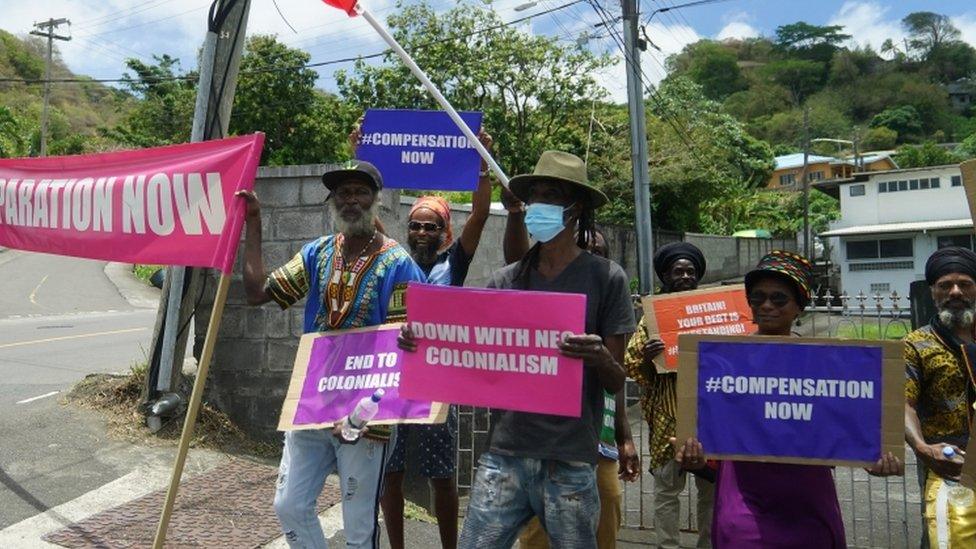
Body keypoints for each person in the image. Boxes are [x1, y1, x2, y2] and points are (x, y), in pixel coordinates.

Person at [400, 150, 636, 548]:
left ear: (575, 208)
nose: (539, 203)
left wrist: (597, 356)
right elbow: (465, 348)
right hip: (504, 454)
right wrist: (421, 342)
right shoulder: (506, 280)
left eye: (552, 195)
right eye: (536, 194)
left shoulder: (606, 278)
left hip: (570, 460)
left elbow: (615, 379)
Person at [236, 161, 425, 549]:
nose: (351, 199)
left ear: (375, 200)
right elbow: (257, 293)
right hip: (314, 404)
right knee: (289, 505)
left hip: (366, 416)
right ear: (332, 201)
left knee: (358, 530)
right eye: (343, 192)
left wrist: (363, 413)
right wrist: (253, 222)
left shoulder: (398, 264)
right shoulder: (317, 253)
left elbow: (404, 349)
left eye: (360, 191)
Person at [674, 250, 903, 548]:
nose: (766, 305)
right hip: (744, 498)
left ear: (800, 306)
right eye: (757, 298)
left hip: (809, 502)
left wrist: (873, 458)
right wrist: (696, 456)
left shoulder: (828, 365)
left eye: (779, 299)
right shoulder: (723, 361)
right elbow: (710, 429)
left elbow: (847, 425)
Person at [380, 132, 495, 549]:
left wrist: (483, 165)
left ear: (445, 230)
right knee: (388, 471)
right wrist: (362, 153)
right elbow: (367, 208)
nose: (423, 230)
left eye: (432, 225)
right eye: (416, 225)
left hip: (437, 382)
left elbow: (480, 215)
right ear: (407, 230)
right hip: (392, 377)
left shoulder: (455, 261)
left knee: (441, 474)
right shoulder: (392, 255)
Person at [513, 227, 642, 549]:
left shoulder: (611, 311)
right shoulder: (543, 301)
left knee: (606, 508)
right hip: (544, 440)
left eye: (597, 253)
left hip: (598, 441)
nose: (589, 259)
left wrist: (626, 438)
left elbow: (616, 382)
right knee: (538, 528)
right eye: (583, 251)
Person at [623, 242, 714, 549]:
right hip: (667, 416)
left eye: (690, 271)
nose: (685, 276)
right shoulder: (653, 318)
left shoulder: (712, 313)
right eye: (678, 271)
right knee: (666, 491)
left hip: (710, 416)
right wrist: (650, 357)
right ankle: (667, 546)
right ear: (665, 275)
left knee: (712, 491)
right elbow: (632, 364)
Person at [905, 247, 976, 548]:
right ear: (933, 291)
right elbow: (902, 404)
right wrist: (922, 447)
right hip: (948, 465)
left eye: (965, 284)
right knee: (944, 538)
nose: (955, 291)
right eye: (945, 285)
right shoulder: (916, 344)